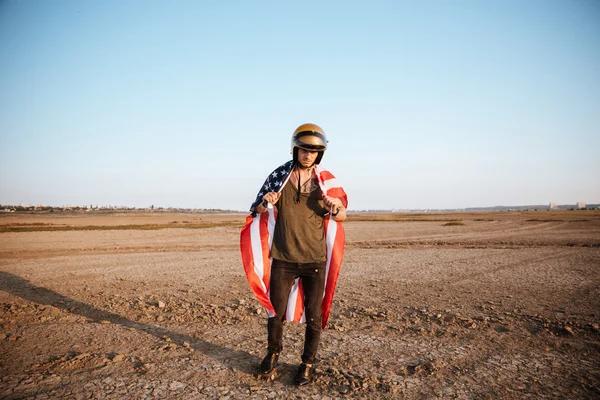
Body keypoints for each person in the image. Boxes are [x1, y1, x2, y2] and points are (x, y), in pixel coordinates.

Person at [240, 123, 348, 386]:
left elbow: (343, 215)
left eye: (313, 151)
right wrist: (266, 202)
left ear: (319, 154)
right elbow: (256, 209)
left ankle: (307, 364)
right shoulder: (280, 177)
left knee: (314, 316)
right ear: (295, 149)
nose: (308, 155)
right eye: (303, 150)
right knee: (274, 313)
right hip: (283, 259)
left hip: (315, 260)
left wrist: (335, 208)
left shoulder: (326, 183)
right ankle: (272, 354)